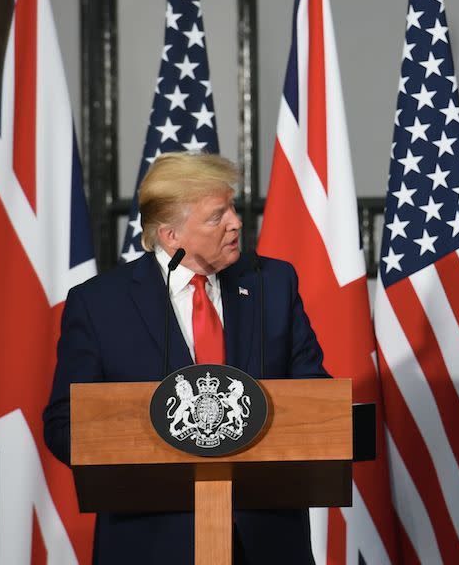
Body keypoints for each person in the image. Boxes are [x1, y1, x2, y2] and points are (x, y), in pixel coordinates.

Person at [43, 152, 328, 565]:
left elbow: (314, 394)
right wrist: (142, 458)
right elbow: (64, 421)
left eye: (231, 206)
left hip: (266, 539)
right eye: (217, 216)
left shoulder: (273, 284)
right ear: (170, 235)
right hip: (152, 542)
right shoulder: (99, 304)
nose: (236, 222)